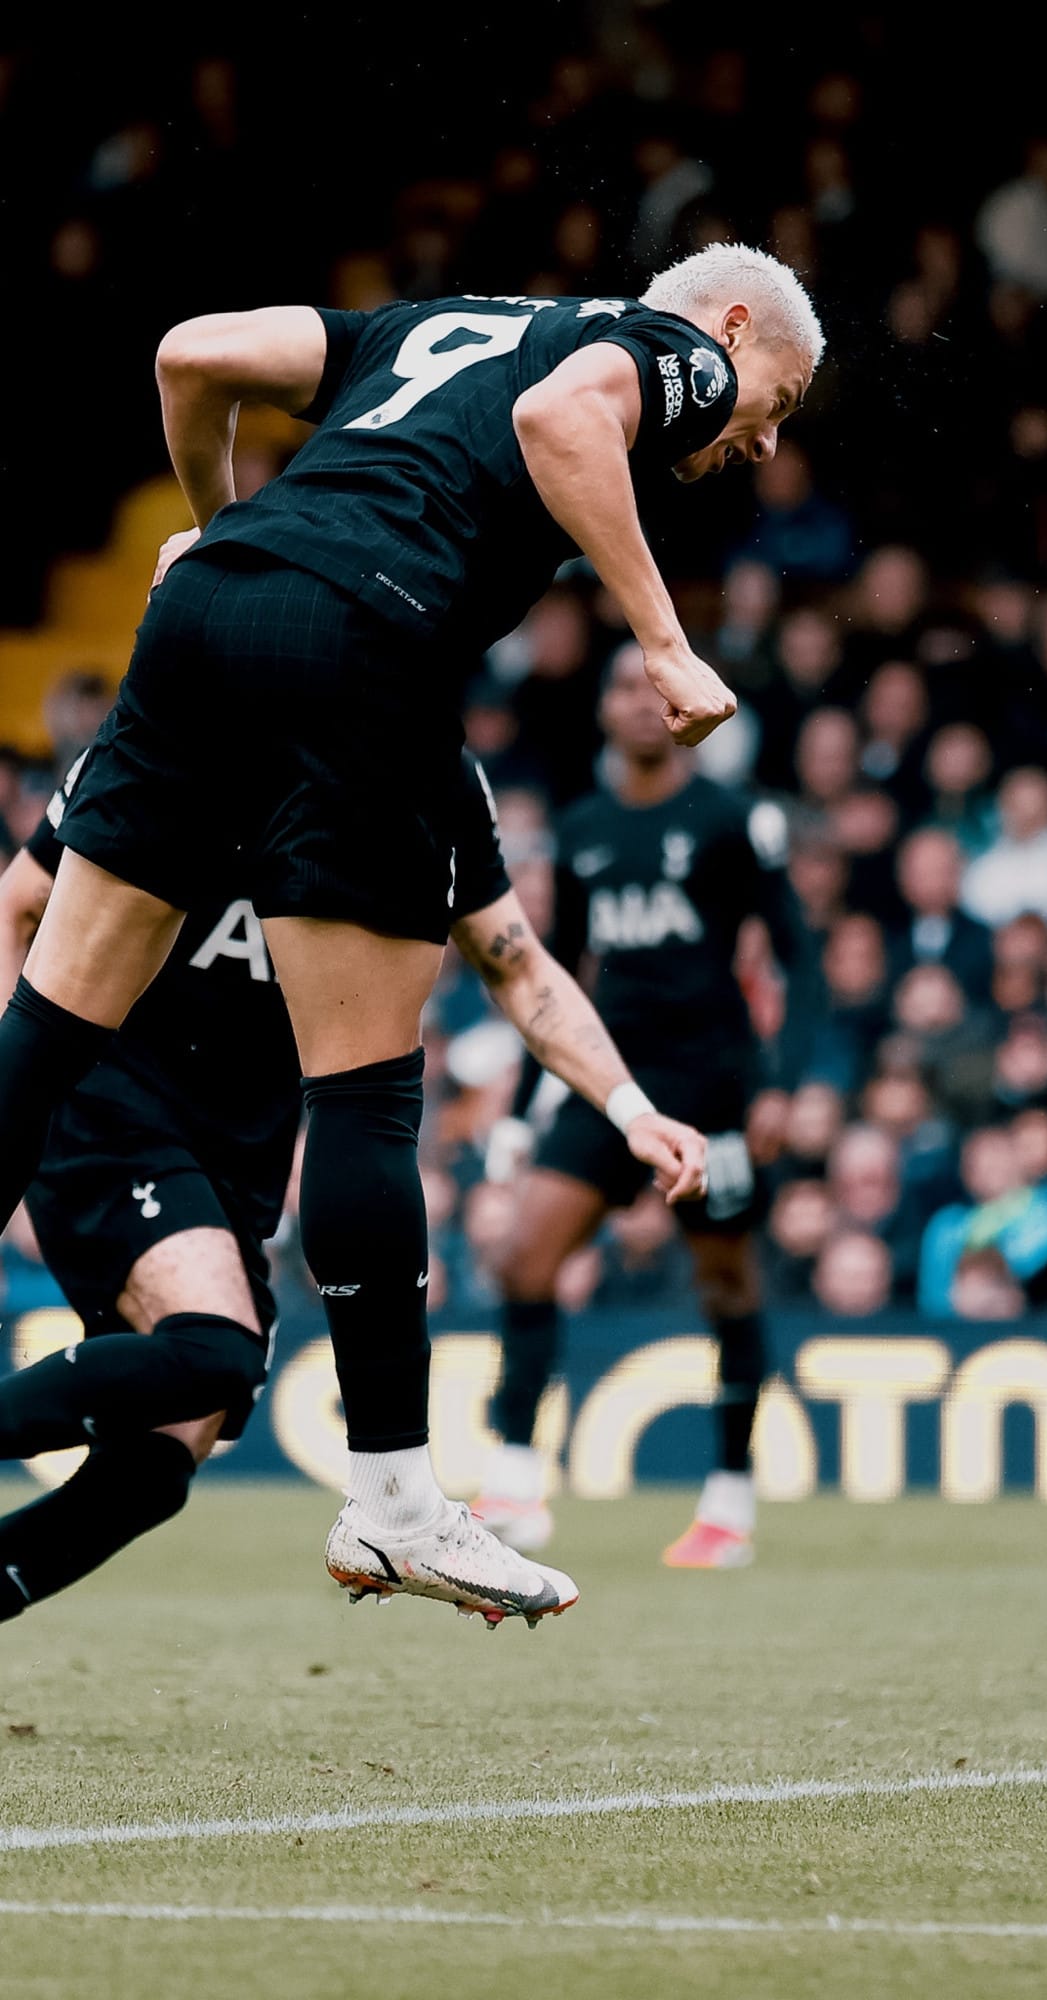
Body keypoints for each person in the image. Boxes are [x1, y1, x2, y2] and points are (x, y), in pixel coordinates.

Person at [0, 243, 822, 1619]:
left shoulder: (431, 321)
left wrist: (219, 522)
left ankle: (390, 1502)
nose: (763, 431)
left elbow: (190, 346)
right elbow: (563, 420)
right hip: (363, 646)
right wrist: (667, 641)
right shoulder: (662, 349)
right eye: (776, 394)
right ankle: (392, 1504)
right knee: (368, 1091)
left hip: (205, 615)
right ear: (730, 327)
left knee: (44, 1023)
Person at [0, 754, 708, 1628]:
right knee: (216, 1351)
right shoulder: (185, 724)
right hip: (110, 1105)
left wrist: (629, 1107)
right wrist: (25, 1109)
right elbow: (16, 905)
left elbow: (518, 968)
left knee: (163, 1453)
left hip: (237, 1154)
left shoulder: (438, 776)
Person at [476, 643, 818, 1568]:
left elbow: (798, 953)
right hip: (611, 1087)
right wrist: (518, 1108)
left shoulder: (732, 819)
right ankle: (513, 1483)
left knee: (724, 1286)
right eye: (621, 686)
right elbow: (551, 980)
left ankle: (729, 1503)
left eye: (651, 687)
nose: (638, 702)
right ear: (601, 710)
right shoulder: (582, 829)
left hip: (712, 1092)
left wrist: (783, 1082)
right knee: (524, 1257)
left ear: (682, 708)